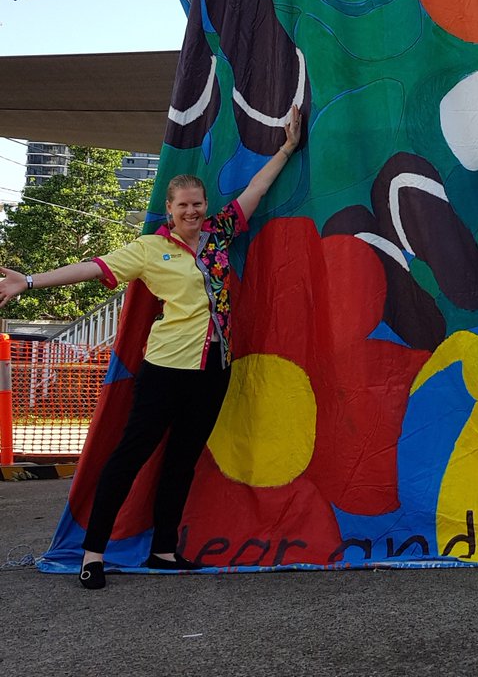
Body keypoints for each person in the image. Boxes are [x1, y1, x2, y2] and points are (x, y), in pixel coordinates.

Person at [0, 106, 303, 590]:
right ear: (170, 208)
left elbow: (256, 189)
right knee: (129, 457)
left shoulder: (220, 234)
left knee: (182, 459)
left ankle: (163, 550)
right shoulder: (149, 250)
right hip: (164, 370)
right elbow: (93, 268)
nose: (191, 212)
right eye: (183, 206)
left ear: (205, 205)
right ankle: (93, 554)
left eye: (197, 204)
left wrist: (287, 147)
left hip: (214, 368)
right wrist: (30, 281)